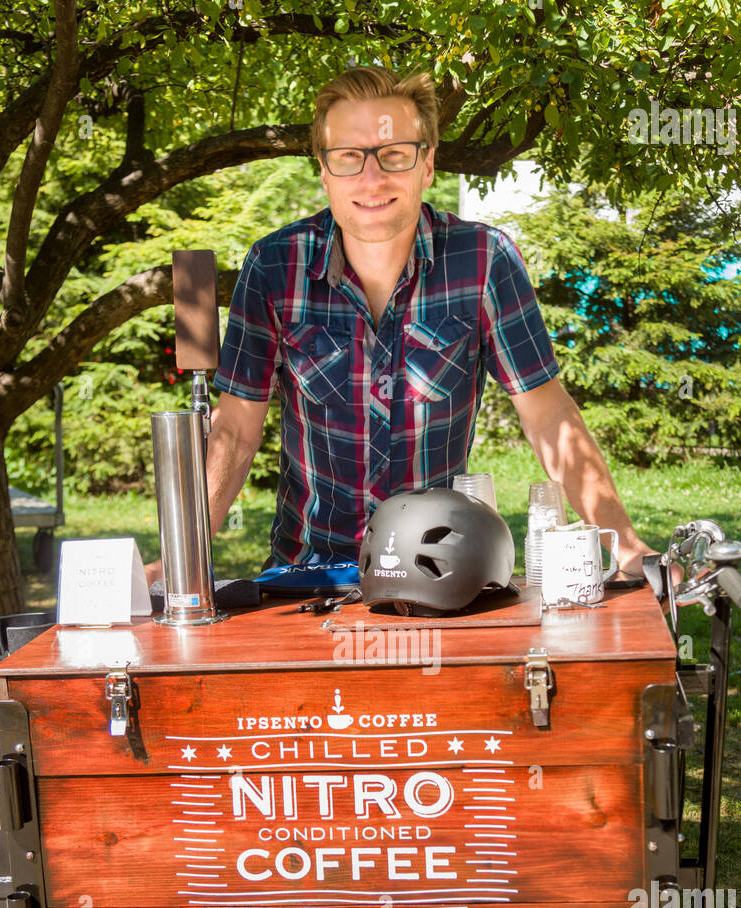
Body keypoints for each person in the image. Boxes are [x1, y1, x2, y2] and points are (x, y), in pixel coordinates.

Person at [145, 64, 657, 586]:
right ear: (323, 170)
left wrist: (625, 546)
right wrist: (179, 558)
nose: (372, 179)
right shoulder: (274, 267)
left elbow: (548, 415)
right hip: (308, 574)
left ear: (428, 165)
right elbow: (233, 430)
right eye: (349, 158)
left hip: (443, 571)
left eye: (394, 155)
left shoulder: (484, 260)